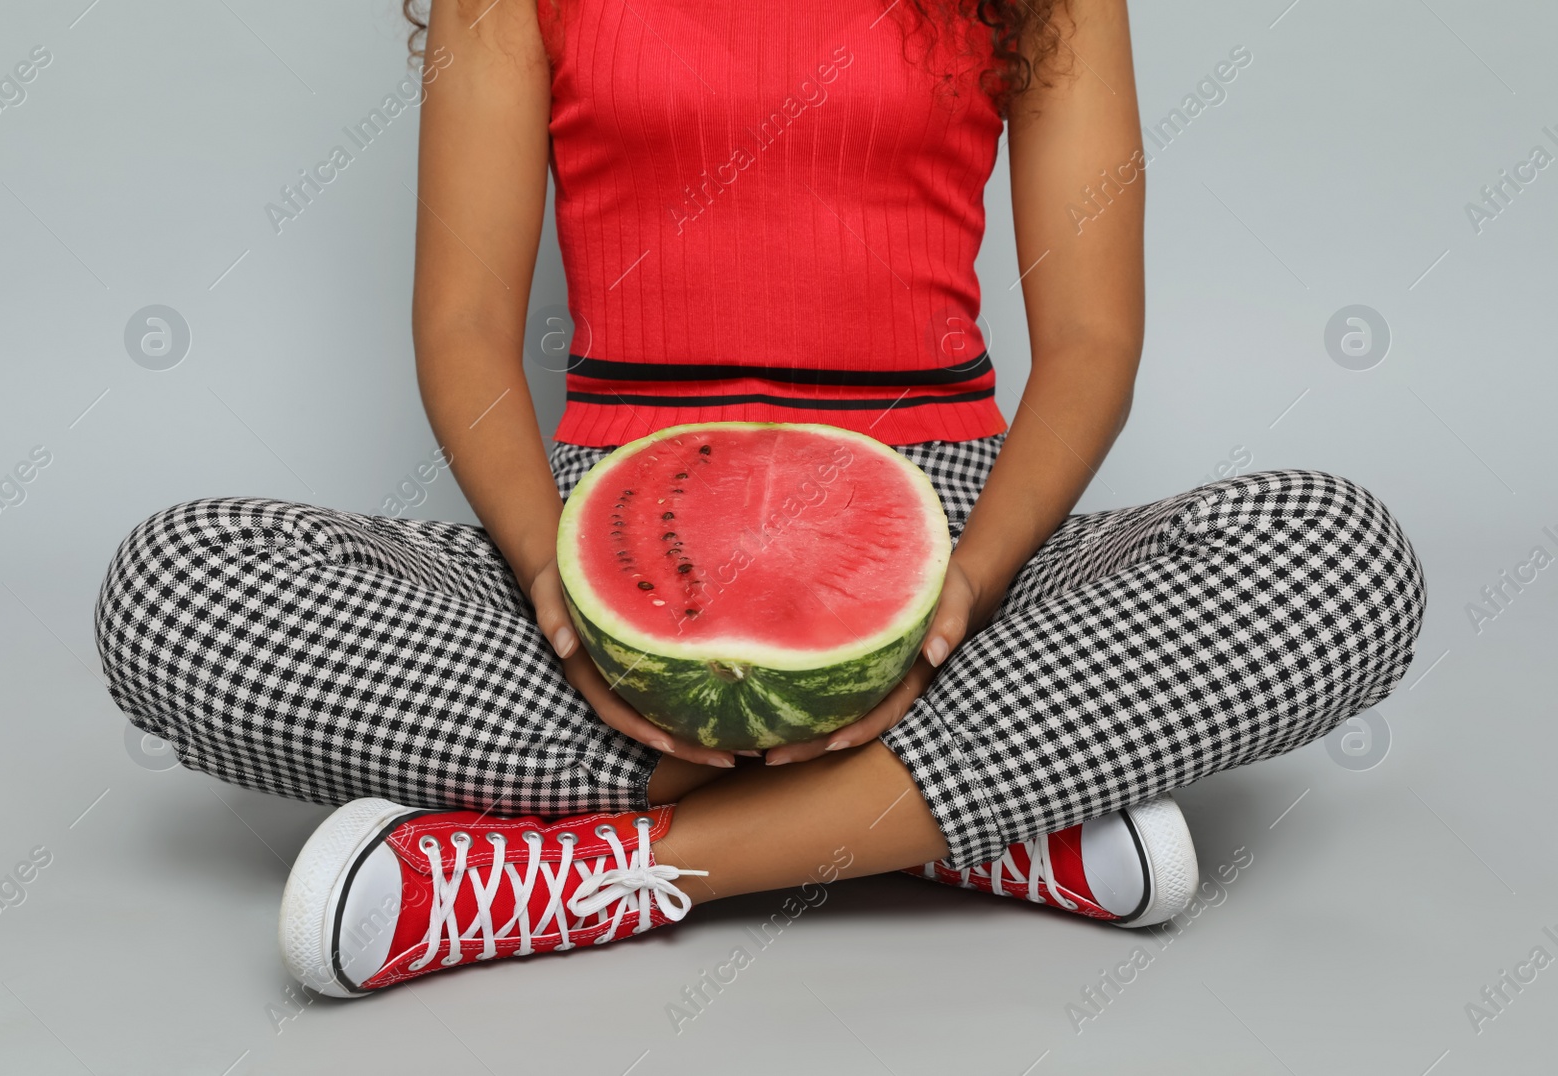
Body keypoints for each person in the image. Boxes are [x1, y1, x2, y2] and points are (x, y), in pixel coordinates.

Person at [93, 0, 1426, 998]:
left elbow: (1091, 348)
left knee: (1337, 552)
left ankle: (577, 880)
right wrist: (560, 601)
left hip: (945, 551)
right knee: (179, 585)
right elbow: (459, 329)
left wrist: (959, 597)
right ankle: (979, 820)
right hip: (614, 555)